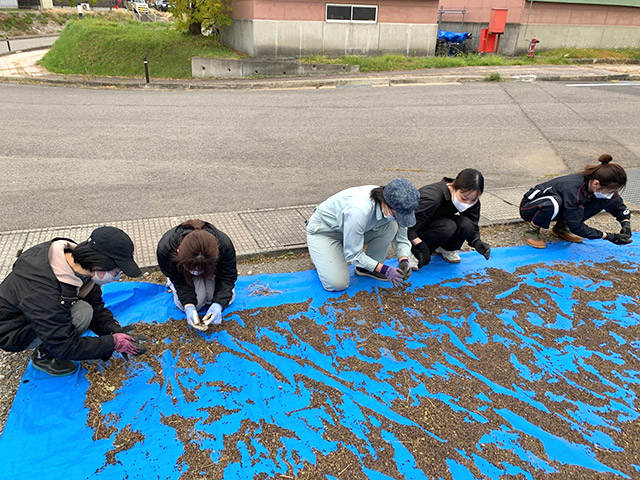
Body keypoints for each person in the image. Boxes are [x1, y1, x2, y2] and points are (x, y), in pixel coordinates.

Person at [0, 227, 146, 377]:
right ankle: (43, 357)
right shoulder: (43, 291)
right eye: (117, 272)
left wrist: (113, 330)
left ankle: (47, 337)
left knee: (87, 309)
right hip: (12, 331)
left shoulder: (80, 263)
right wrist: (111, 343)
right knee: (82, 314)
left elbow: (95, 305)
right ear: (100, 264)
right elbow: (63, 345)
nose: (118, 276)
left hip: (37, 313)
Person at [306, 178, 420, 292]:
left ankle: (367, 269)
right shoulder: (358, 210)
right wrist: (385, 270)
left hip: (354, 230)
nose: (399, 219)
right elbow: (353, 255)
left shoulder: (401, 205)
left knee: (391, 226)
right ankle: (320, 254)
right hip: (326, 233)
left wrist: (404, 259)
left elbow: (401, 238)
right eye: (397, 215)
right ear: (385, 203)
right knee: (337, 284)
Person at [520, 154, 632, 249]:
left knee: (602, 199)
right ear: (596, 183)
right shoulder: (573, 188)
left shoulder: (598, 188)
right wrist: (608, 236)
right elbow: (576, 226)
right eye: (611, 190)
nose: (612, 193)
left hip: (559, 206)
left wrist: (625, 224)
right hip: (531, 207)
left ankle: (561, 228)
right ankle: (532, 230)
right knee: (553, 203)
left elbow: (618, 206)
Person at [157, 219, 237, 331]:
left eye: (200, 268)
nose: (196, 271)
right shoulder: (166, 249)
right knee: (196, 304)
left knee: (221, 298)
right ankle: (172, 283)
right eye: (193, 268)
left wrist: (218, 304)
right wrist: (188, 305)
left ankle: (206, 277)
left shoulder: (224, 245)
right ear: (179, 252)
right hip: (182, 274)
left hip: (211, 272)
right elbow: (179, 281)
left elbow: (227, 276)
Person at [407, 169, 491, 268]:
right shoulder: (431, 198)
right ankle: (413, 253)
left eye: (473, 200)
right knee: (447, 226)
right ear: (453, 187)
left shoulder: (471, 198)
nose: (468, 203)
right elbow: (407, 226)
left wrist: (476, 240)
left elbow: (473, 221)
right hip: (418, 227)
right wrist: (419, 245)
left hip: (439, 223)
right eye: (463, 198)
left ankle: (445, 248)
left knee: (466, 224)